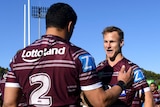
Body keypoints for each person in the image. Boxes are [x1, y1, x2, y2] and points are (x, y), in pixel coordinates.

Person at [3, 3, 133, 107]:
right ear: (70, 25)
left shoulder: (18, 58)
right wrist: (121, 83)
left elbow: (9, 103)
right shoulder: (79, 56)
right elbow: (100, 102)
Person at [96, 26, 154, 107]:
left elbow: (148, 98)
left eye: (112, 42)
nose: (108, 46)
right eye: (105, 41)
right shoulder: (99, 68)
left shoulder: (132, 68)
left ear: (121, 42)